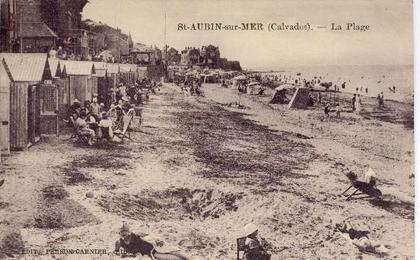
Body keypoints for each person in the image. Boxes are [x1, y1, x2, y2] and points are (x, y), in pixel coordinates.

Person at [115, 224, 189, 260]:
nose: (123, 234)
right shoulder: (119, 242)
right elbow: (117, 252)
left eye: (125, 231)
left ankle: (187, 258)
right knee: (170, 258)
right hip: (150, 253)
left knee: (171, 251)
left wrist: (157, 240)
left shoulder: (136, 235)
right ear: (119, 233)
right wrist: (124, 255)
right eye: (122, 232)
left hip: (153, 247)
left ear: (129, 232)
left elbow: (148, 236)